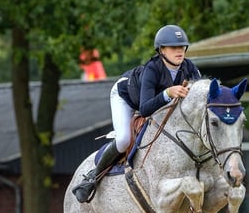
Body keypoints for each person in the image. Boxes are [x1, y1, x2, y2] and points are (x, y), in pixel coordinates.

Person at [72, 24, 202, 203]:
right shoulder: (152, 69)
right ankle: (92, 178)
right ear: (162, 50)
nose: (179, 51)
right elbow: (146, 108)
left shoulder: (189, 68)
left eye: (182, 47)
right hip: (125, 97)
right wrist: (167, 93)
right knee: (124, 139)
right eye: (174, 47)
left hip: (152, 104)